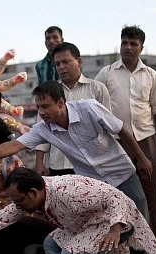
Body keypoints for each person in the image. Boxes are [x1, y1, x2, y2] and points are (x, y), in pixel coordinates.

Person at [0, 80, 154, 254]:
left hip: (120, 172)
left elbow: (121, 129)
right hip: (92, 184)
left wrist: (141, 157)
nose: (41, 112)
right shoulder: (44, 128)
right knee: (91, 228)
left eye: (45, 106)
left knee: (137, 219)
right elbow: (15, 145)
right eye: (38, 107)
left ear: (60, 103)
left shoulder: (89, 108)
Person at [0, 168, 156, 254]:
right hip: (85, 224)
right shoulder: (33, 197)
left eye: (18, 202)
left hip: (115, 220)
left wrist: (116, 229)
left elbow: (115, 197)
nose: (16, 207)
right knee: (51, 244)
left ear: (33, 193)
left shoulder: (68, 191)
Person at [95, 25, 156, 252]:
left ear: (141, 47)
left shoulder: (151, 75)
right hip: (117, 140)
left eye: (133, 44)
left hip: (147, 137)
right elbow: (94, 104)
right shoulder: (106, 73)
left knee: (153, 190)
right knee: (120, 192)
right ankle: (123, 242)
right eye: (124, 42)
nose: (128, 47)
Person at [36, 42, 112, 176]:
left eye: (66, 62)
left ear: (79, 61)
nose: (61, 67)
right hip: (59, 164)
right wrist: (39, 162)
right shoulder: (49, 93)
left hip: (91, 163)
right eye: (57, 64)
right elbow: (42, 129)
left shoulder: (97, 89)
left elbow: (109, 127)